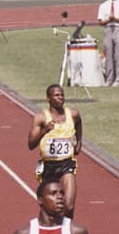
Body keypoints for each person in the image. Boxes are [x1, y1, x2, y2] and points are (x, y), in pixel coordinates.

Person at [28, 84, 83, 218]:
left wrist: (79, 142)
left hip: (66, 165)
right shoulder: (41, 118)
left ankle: (67, 233)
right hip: (48, 167)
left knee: (68, 206)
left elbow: (79, 123)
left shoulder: (73, 114)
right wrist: (44, 131)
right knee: (51, 209)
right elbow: (31, 144)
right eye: (57, 95)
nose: (61, 98)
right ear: (48, 98)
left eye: (62, 95)